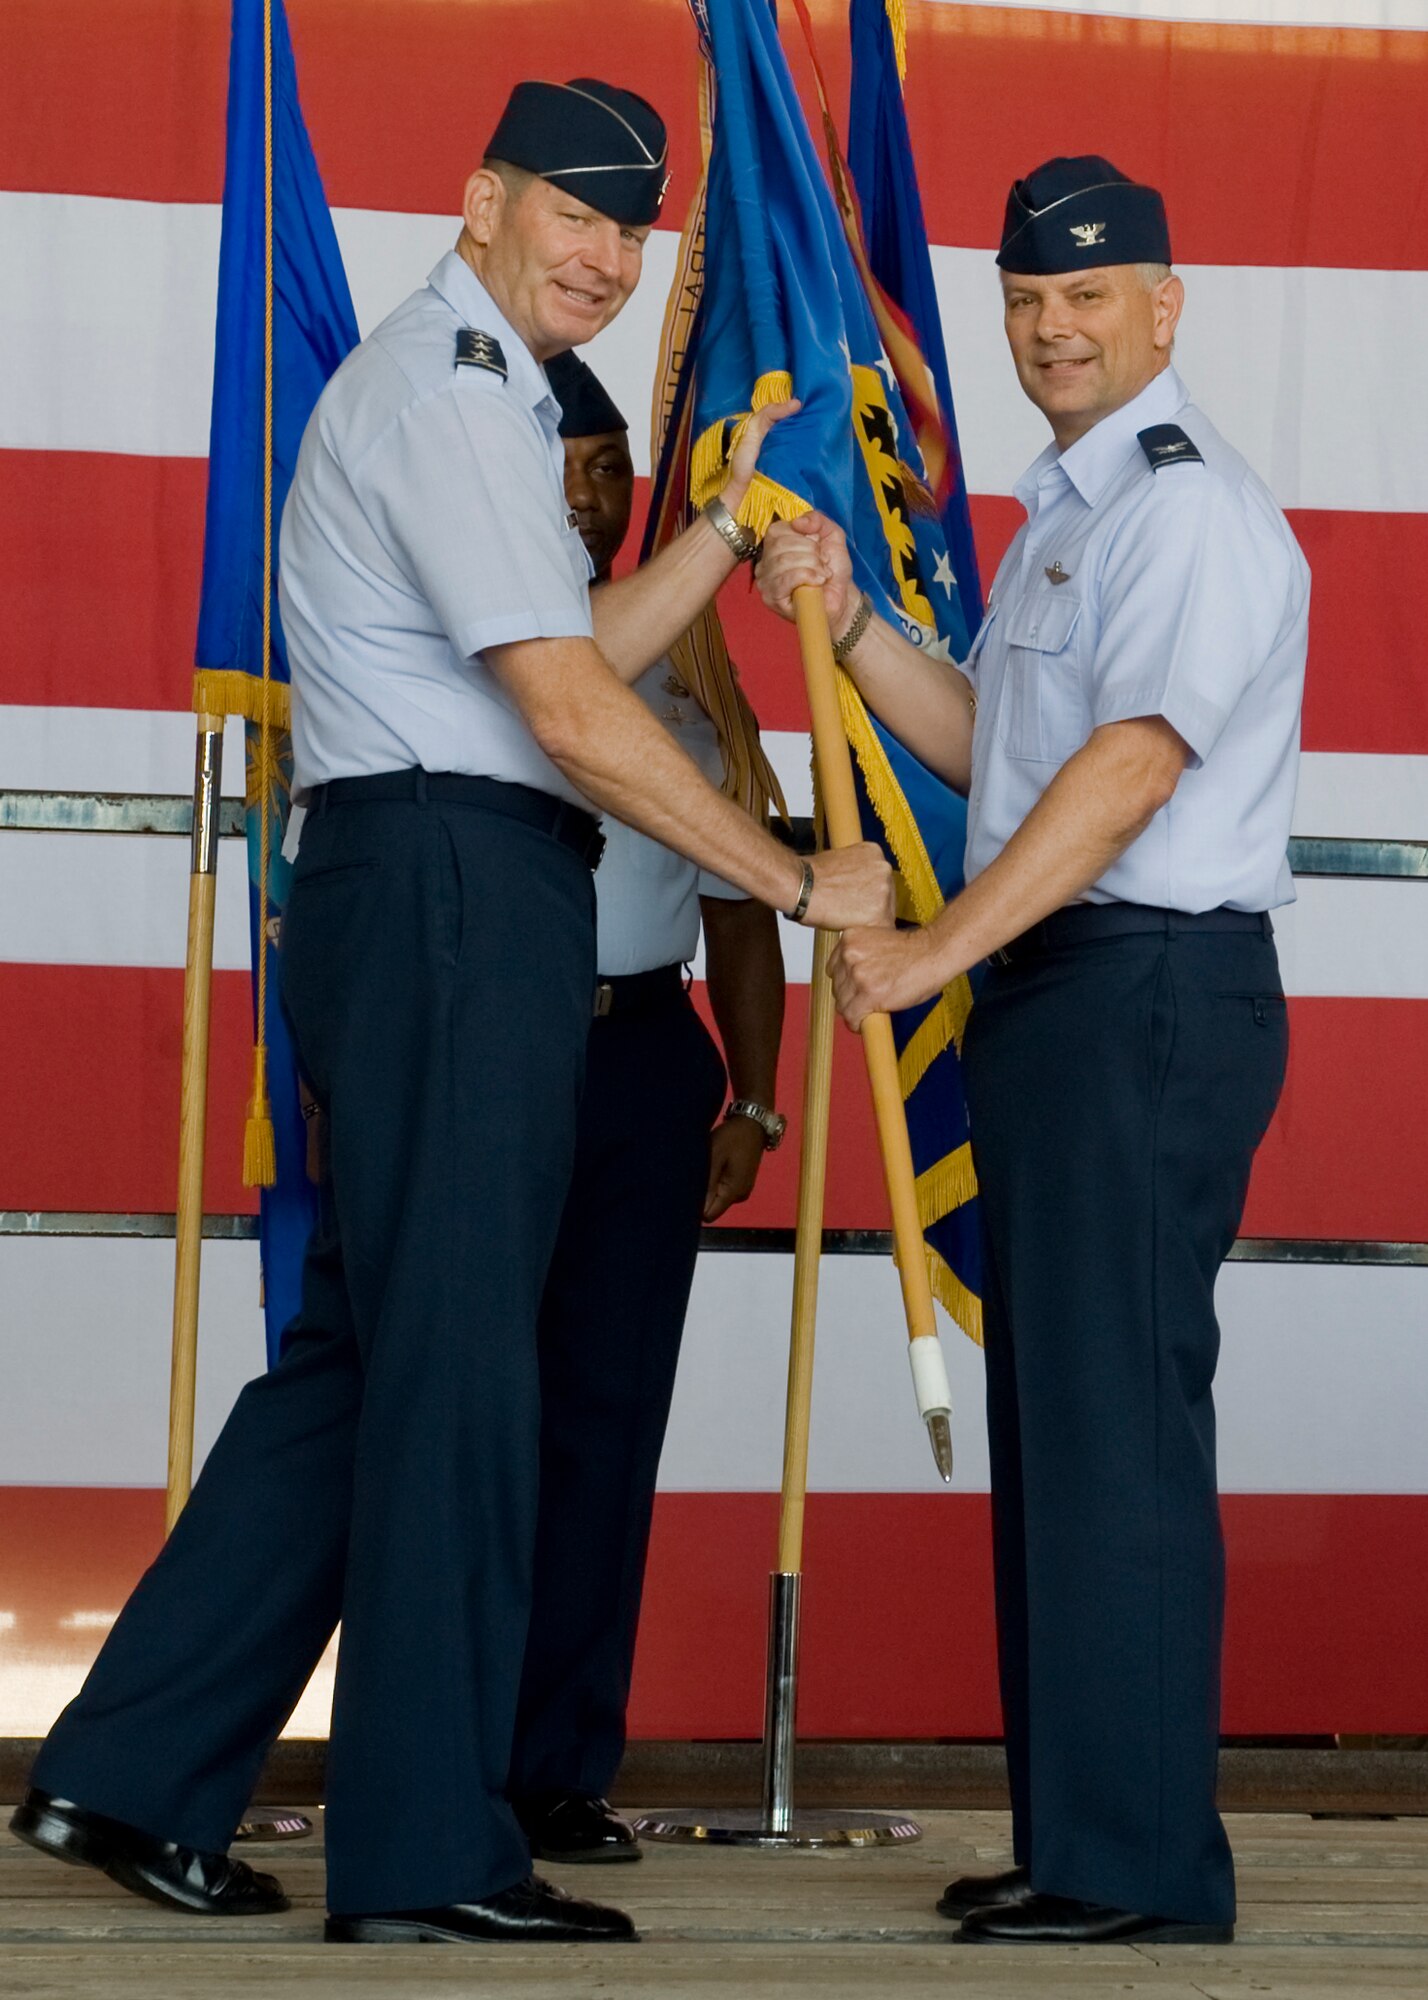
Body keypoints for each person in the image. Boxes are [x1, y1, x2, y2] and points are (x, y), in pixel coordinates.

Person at [12, 79, 891, 1948]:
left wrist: (731, 522)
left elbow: (586, 646)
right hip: (448, 885)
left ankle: (124, 1767)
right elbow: (570, 715)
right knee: (460, 1376)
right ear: (478, 199)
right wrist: (800, 877)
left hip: (434, 886)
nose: (603, 250)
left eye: (629, 230)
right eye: (570, 210)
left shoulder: (473, 389)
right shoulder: (452, 392)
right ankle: (427, 1852)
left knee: (365, 1358)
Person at [757, 154, 1306, 1947]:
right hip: (1067, 992)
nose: (1053, 328)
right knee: (1066, 1429)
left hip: (1141, 992)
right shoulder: (1071, 514)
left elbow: (1131, 774)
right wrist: (850, 621)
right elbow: (1006, 741)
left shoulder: (1184, 509)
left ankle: (1144, 1866)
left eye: (1090, 298)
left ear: (1165, 304)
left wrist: (929, 953)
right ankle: (1086, 1837)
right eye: (1026, 302)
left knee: (1120, 1433)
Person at [510, 350, 786, 1864]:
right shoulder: (465, 619)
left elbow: (746, 899)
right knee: (465, 1411)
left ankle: (558, 1767)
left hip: (640, 1063)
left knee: (606, 1423)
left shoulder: (693, 659)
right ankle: (434, 1740)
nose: (593, 495)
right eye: (567, 465)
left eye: (611, 468)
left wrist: (758, 1101)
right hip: (494, 1053)